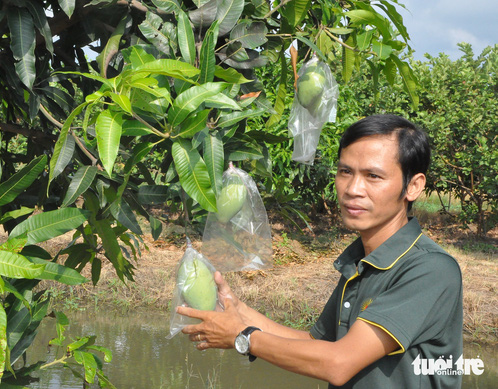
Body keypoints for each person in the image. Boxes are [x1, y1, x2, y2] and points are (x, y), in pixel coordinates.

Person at [177, 114, 463, 388]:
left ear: (413, 186)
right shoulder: (361, 261)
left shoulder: (430, 269)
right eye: (345, 172)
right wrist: (240, 311)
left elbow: (339, 363)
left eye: (373, 176)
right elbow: (319, 346)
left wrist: (243, 336)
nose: (353, 188)